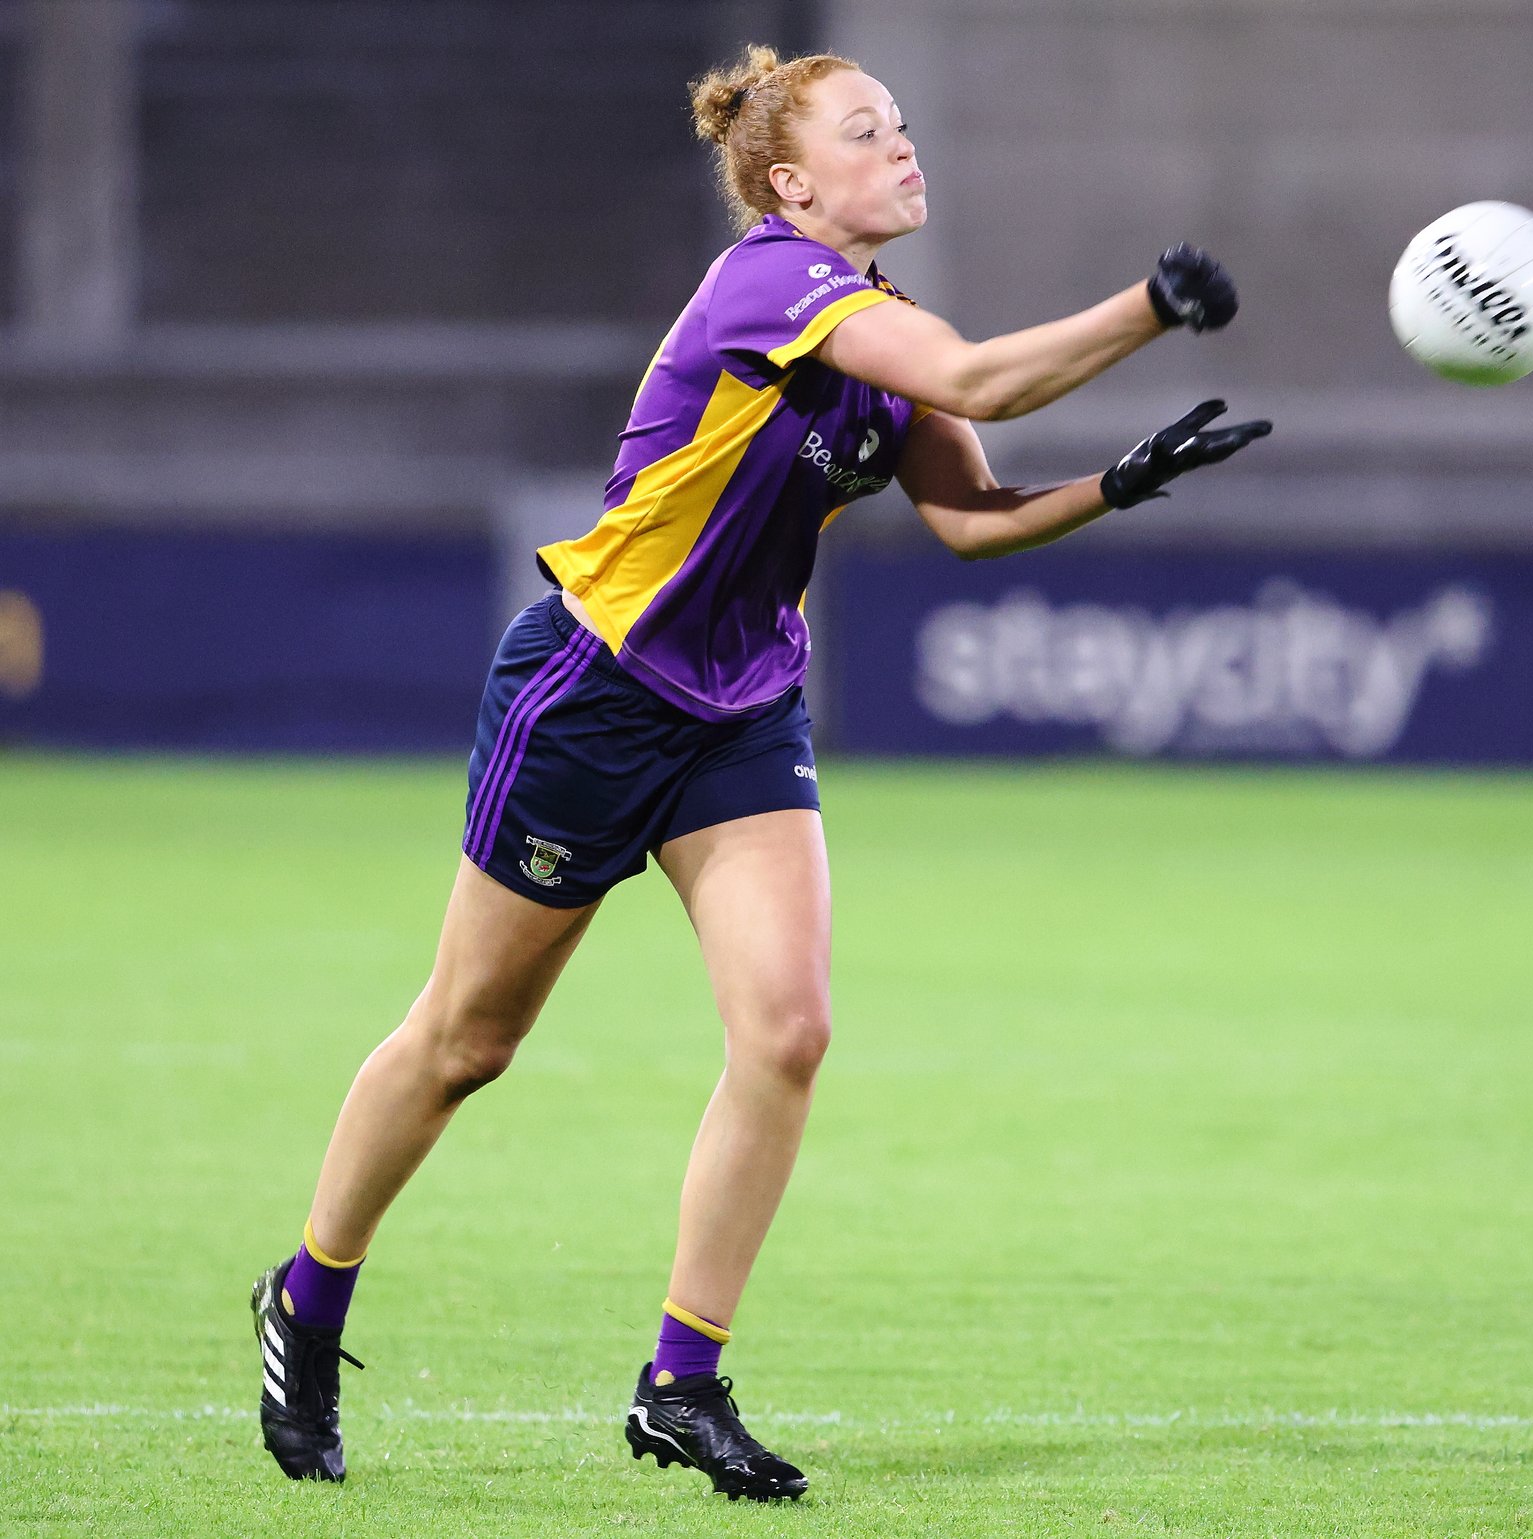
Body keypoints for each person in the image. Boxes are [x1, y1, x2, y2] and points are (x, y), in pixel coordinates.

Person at [249, 43, 1269, 1502]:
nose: (905, 148)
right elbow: (984, 376)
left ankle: (682, 1383)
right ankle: (309, 1295)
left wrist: (1123, 481)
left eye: (904, 125)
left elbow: (970, 520)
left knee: (787, 1034)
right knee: (468, 1042)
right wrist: (1154, 311)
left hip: (741, 709)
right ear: (792, 183)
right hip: (592, 694)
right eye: (870, 132)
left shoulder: (877, 328)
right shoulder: (772, 285)